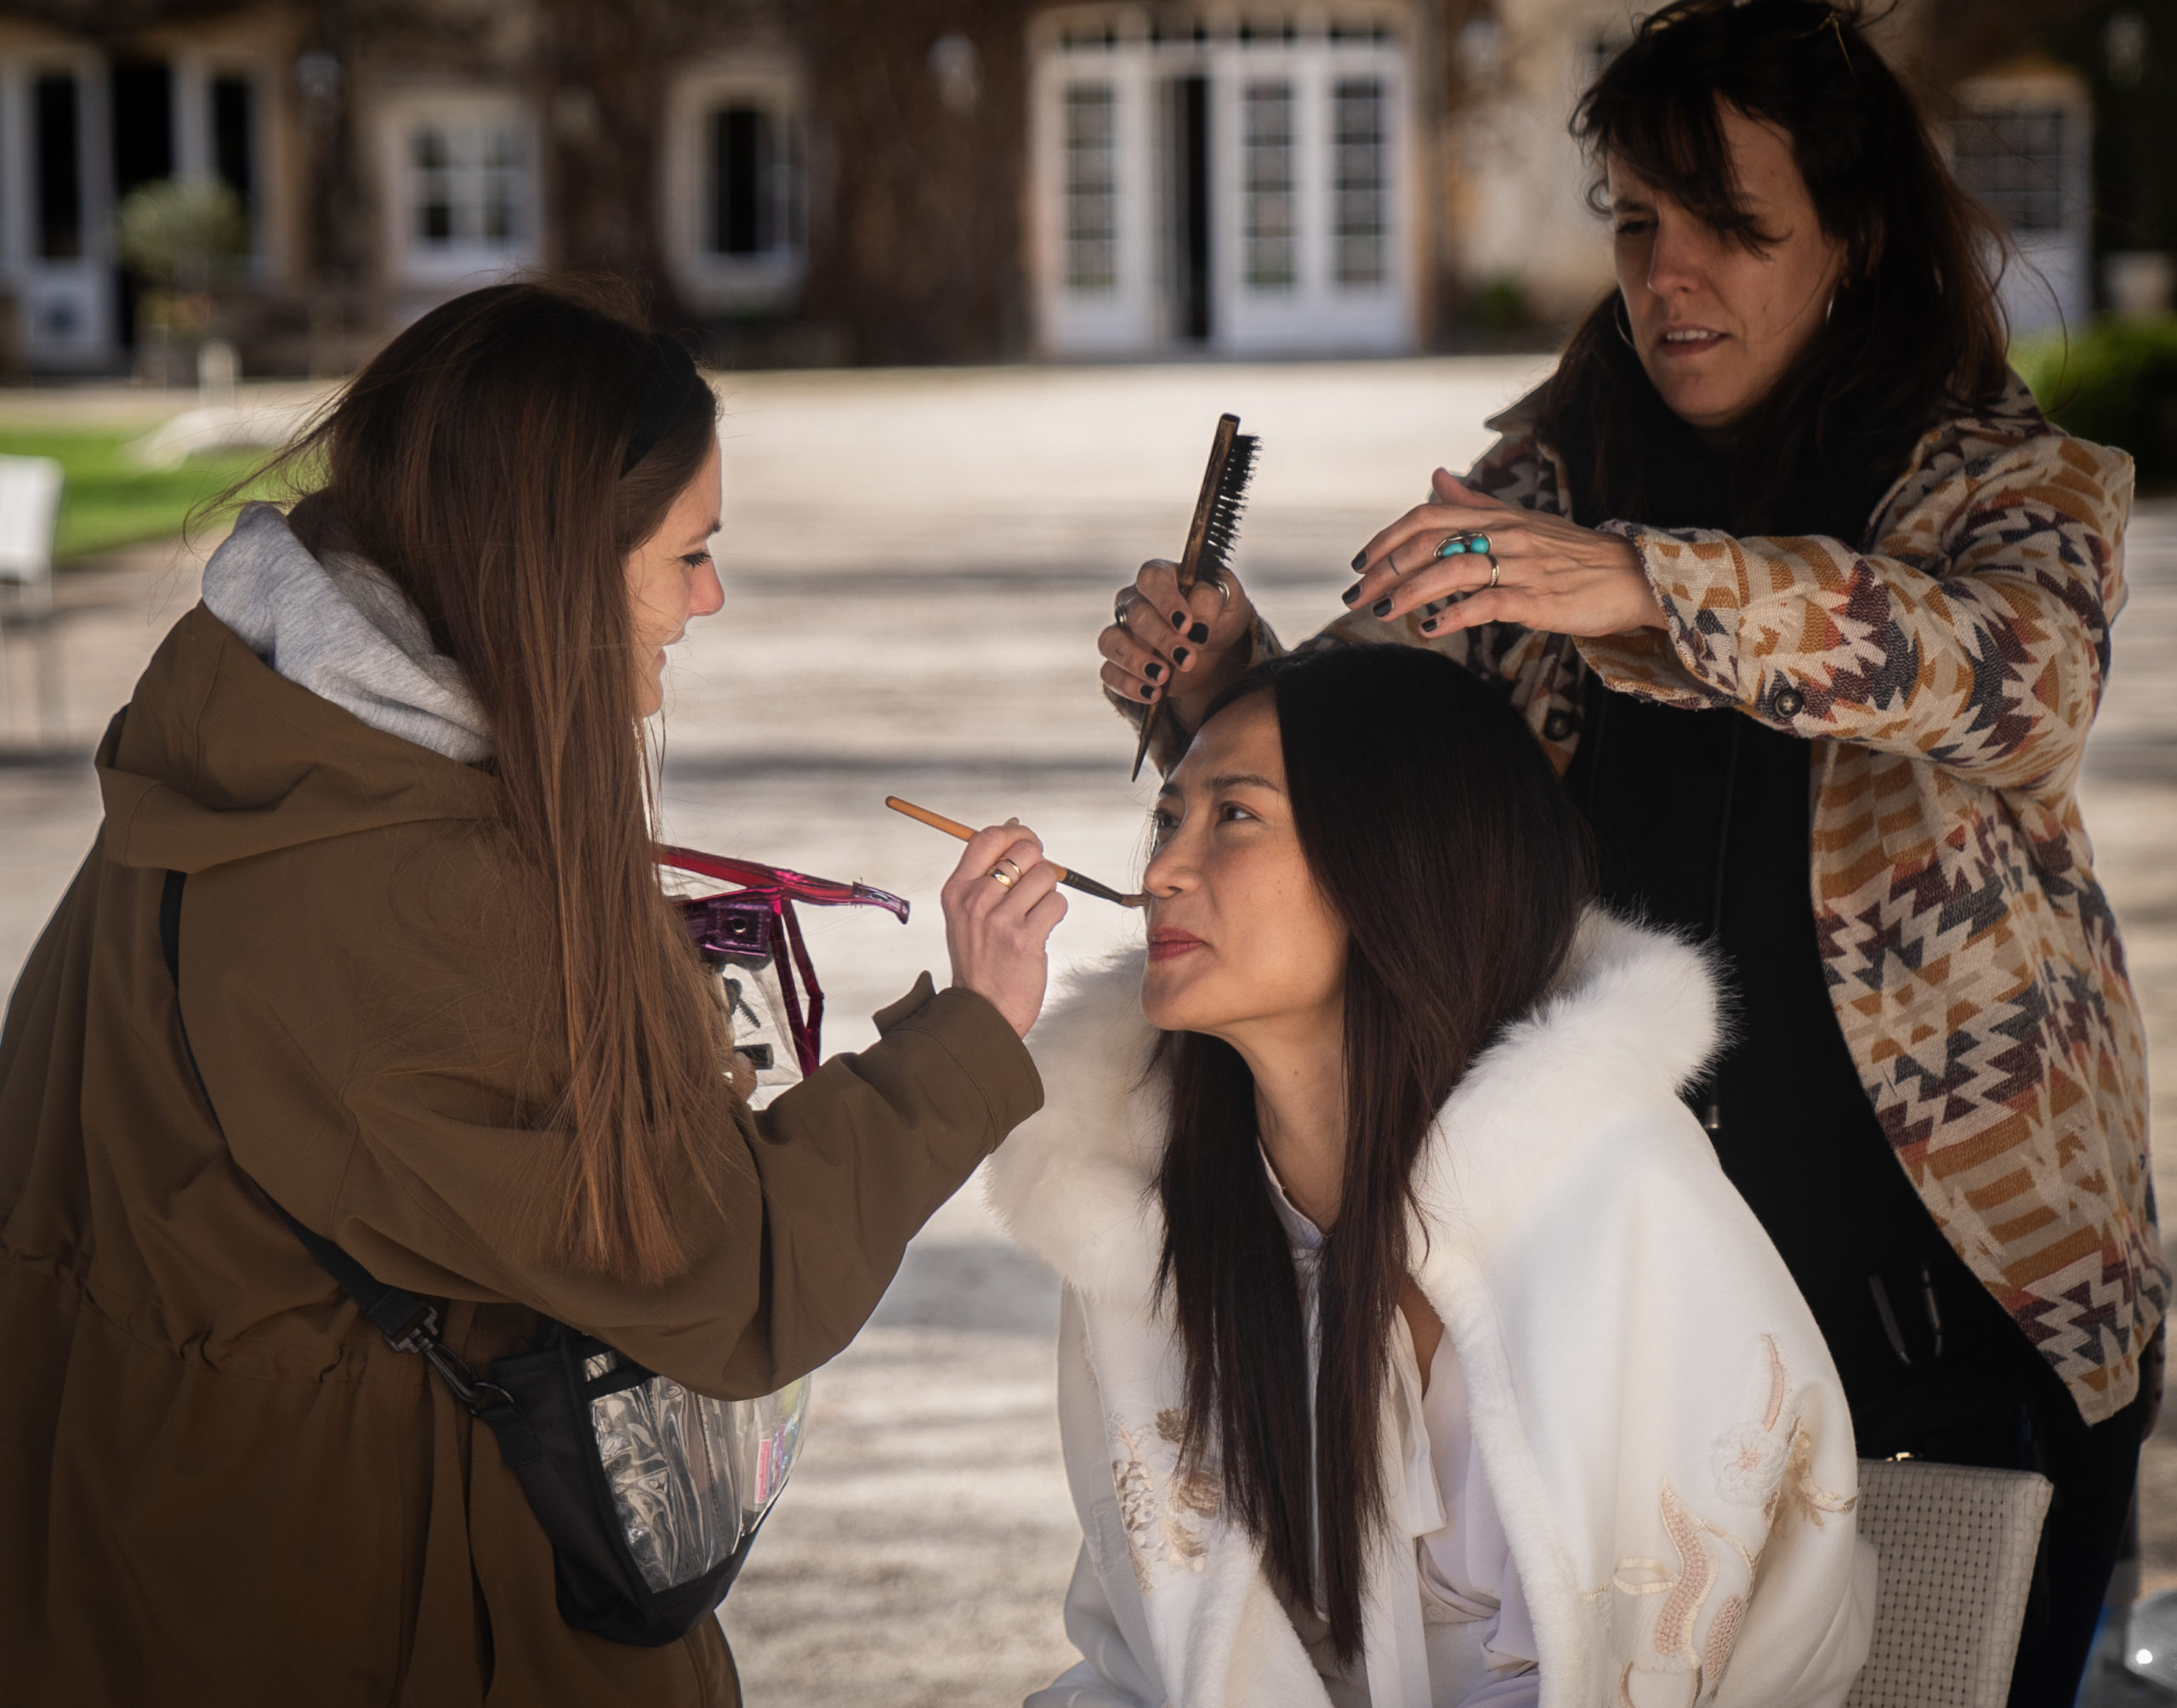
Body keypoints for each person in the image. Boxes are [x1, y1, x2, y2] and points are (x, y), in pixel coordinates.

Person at [1096, 4, 2163, 1700]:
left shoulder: (2007, 480)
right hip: (1624, 1315)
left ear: (1854, 233)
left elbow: (2014, 681)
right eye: (1633, 223)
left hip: (1964, 1310)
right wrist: (1230, 690)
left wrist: (1640, 586)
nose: (1667, 275)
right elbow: (1375, 773)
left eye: (1727, 225)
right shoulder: (1540, 477)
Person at [0, 280, 1067, 1706]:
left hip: (154, 1542)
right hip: (359, 1592)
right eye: (689, 554)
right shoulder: (412, 892)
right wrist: (973, 1033)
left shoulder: (255, 725)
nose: (711, 598)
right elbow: (719, 1272)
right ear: (553, 561)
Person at [993, 645, 1874, 1707]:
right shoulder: (1140, 1218)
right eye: (1167, 817)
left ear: (1399, 857)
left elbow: (1631, 1662)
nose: (1160, 873)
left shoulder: (1613, 1194)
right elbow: (1147, 1651)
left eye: (1233, 816)